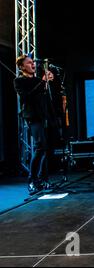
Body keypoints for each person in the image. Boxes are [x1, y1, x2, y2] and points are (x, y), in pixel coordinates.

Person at [14, 55, 63, 195]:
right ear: (22, 67)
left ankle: (42, 179)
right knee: (40, 146)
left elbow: (46, 98)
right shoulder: (19, 81)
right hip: (33, 117)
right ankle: (32, 179)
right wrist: (42, 82)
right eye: (29, 63)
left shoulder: (37, 80)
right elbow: (27, 96)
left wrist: (49, 82)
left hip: (45, 116)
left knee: (48, 146)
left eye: (33, 62)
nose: (33, 65)